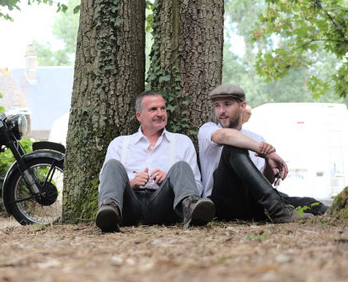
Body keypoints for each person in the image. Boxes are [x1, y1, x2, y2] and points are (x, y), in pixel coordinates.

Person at [198, 84, 328, 223]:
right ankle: (278, 211)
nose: (221, 111)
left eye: (227, 104)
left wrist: (267, 163)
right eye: (217, 105)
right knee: (233, 147)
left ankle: (280, 209)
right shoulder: (208, 130)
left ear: (242, 106)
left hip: (253, 203)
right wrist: (264, 152)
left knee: (310, 203)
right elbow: (227, 136)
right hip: (222, 203)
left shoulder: (257, 138)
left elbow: (265, 183)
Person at [96, 91, 215, 232]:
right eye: (153, 109)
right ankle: (109, 214)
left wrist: (170, 181)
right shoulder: (120, 144)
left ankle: (194, 212)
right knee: (112, 165)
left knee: (181, 167)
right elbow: (105, 187)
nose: (160, 113)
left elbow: (196, 185)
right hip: (129, 206)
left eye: (163, 108)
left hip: (165, 206)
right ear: (139, 116)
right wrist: (131, 183)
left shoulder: (182, 142)